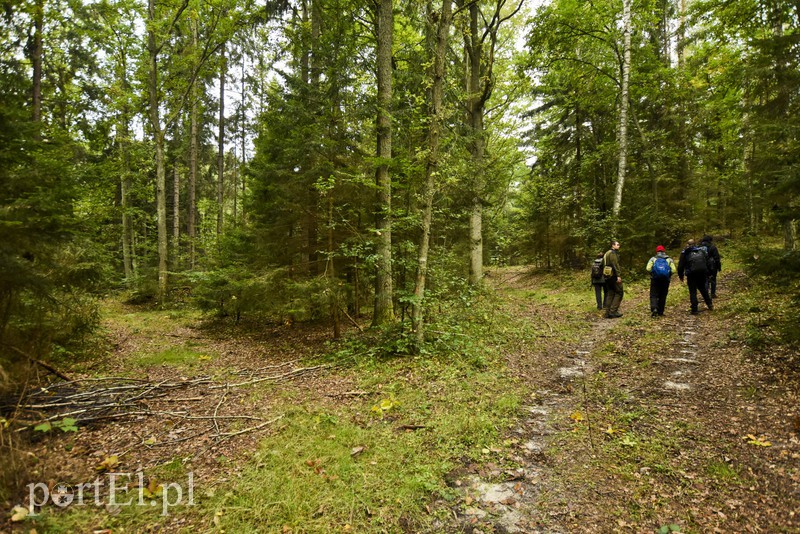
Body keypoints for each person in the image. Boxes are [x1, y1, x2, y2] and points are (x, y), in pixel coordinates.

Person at [677, 238, 714, 315]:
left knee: (693, 291)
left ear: (688, 244)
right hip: (702, 273)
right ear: (695, 244)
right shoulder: (701, 251)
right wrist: (709, 272)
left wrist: (681, 275)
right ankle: (710, 304)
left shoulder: (685, 252)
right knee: (703, 289)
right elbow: (708, 261)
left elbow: (680, 266)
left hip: (691, 274)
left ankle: (694, 309)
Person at [646, 245, 677, 317]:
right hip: (665, 280)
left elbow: (648, 268)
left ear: (657, 251)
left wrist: (653, 273)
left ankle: (654, 308)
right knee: (663, 295)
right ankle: (660, 312)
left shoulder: (653, 259)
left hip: (655, 279)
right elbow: (674, 270)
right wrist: (668, 274)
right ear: (664, 251)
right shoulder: (668, 259)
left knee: (653, 294)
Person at [602, 240, 623, 318]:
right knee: (619, 292)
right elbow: (615, 264)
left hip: (606, 275)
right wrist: (618, 275)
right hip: (613, 275)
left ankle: (607, 312)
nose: (618, 246)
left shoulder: (606, 253)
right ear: (613, 246)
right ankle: (613, 311)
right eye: (617, 245)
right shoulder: (612, 253)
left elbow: (602, 264)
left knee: (610, 293)